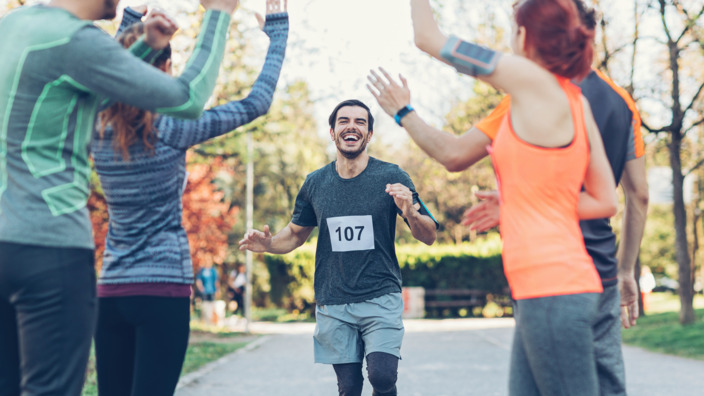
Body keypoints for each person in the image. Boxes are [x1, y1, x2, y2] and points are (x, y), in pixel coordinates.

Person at [369, 3, 648, 394]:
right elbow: (606, 201)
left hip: (552, 290)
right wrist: (518, 202)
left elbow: (428, 38)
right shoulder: (576, 103)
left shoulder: (528, 79)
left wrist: (403, 111)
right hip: (560, 287)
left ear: (526, 37)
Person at [0, 0, 239, 394]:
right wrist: (219, 14)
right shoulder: (77, 39)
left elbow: (81, 98)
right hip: (49, 249)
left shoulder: (14, 26)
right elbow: (187, 97)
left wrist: (143, 48)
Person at [91, 3, 288, 394]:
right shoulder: (173, 126)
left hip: (111, 289)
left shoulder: (96, 126)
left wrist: (131, 21)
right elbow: (256, 103)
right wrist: (278, 34)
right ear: (165, 71)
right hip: (162, 287)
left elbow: (111, 79)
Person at [239, 99, 438, 396]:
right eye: (344, 121)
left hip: (380, 295)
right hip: (334, 300)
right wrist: (268, 244)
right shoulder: (316, 183)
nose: (352, 126)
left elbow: (430, 234)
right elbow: (295, 234)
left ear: (369, 134)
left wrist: (409, 212)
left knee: (382, 376)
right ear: (332, 132)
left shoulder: (391, 177)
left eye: (360, 122)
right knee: (349, 387)